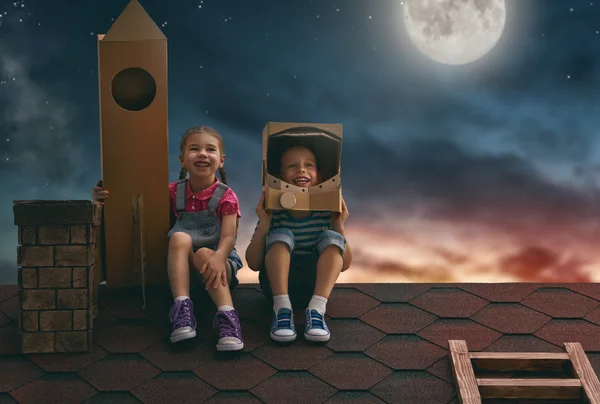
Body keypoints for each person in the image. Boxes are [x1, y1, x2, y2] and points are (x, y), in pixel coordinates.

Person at [92, 126, 244, 351]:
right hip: (186, 275)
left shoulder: (226, 196)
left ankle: (228, 317)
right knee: (179, 238)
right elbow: (135, 201)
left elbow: (229, 235)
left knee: (204, 253)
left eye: (209, 149)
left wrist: (219, 257)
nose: (202, 153)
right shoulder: (173, 192)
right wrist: (101, 197)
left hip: (220, 268)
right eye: (195, 149)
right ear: (183, 160)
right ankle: (182, 308)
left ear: (221, 160)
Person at [245, 144, 352, 343]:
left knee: (332, 238)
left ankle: (317, 310)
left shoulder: (324, 214)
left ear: (320, 176)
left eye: (308, 165)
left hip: (313, 289)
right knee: (281, 235)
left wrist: (338, 224)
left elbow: (344, 264)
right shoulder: (275, 213)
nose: (301, 169)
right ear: (278, 177)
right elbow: (253, 262)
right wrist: (264, 222)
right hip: (276, 289)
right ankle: (282, 310)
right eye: (292, 166)